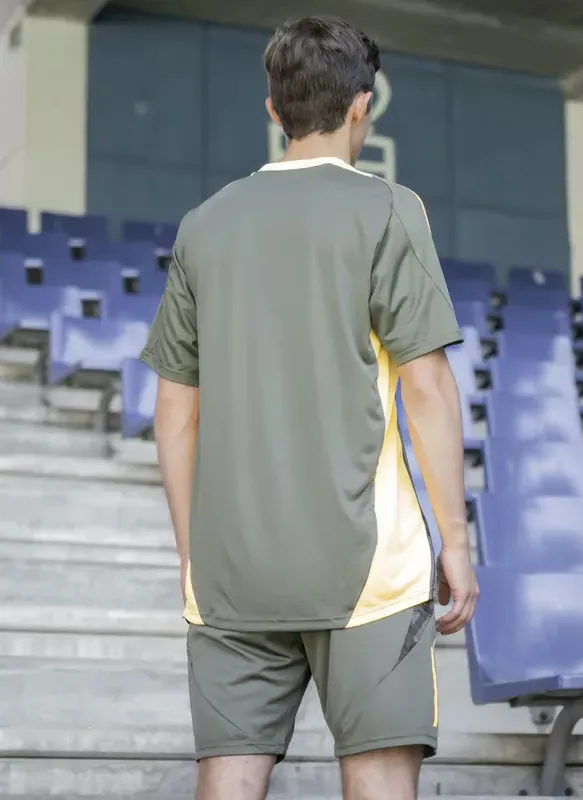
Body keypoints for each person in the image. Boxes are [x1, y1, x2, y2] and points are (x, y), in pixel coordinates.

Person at [140, 15, 478, 800]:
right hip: (369, 569)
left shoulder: (204, 225)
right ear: (363, 106)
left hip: (231, 570)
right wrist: (456, 540)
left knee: (228, 779)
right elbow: (427, 387)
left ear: (274, 111)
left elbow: (175, 411)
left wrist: (194, 555)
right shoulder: (390, 208)